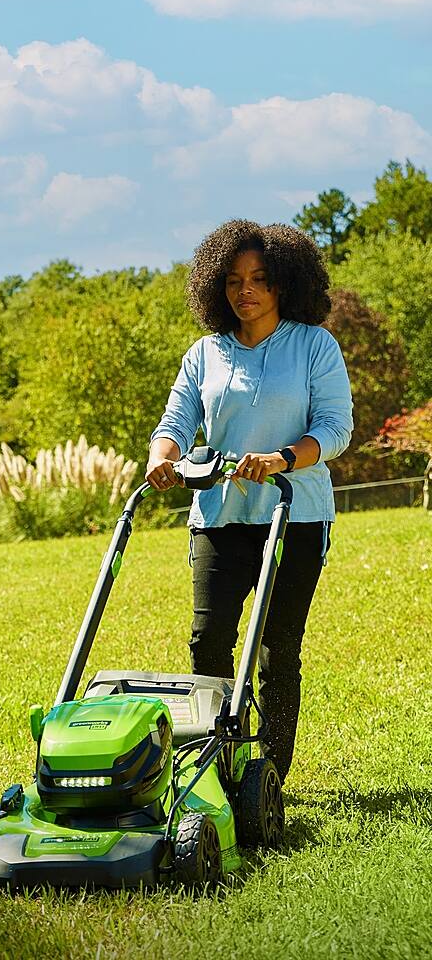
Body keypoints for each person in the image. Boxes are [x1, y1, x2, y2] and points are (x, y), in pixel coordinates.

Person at [146, 219, 353, 783]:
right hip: (220, 515)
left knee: (277, 648)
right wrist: (162, 456)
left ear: (284, 283)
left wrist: (282, 459)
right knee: (207, 639)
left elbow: (335, 429)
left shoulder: (314, 345)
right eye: (235, 280)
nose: (246, 291)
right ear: (217, 285)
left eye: (260, 278)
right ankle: (216, 764)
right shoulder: (205, 353)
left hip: (295, 514)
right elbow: (177, 419)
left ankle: (269, 777)